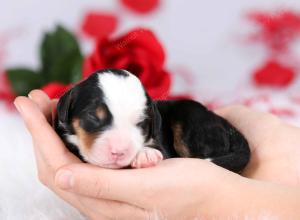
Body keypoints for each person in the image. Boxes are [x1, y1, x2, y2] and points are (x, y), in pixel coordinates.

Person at [14, 90, 300, 220]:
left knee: (186, 120)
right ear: (66, 111)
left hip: (200, 130)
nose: (118, 145)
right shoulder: (68, 120)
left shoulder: (163, 123)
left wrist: (225, 198)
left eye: (137, 125)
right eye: (95, 121)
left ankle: (214, 159)